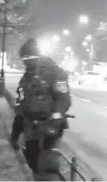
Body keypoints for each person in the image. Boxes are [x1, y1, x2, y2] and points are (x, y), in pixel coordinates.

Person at [9, 38, 72, 181]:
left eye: (28, 58)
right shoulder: (26, 78)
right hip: (30, 128)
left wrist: (55, 118)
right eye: (23, 59)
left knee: (47, 166)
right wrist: (15, 133)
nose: (26, 62)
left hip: (50, 126)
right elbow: (21, 106)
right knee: (33, 163)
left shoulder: (55, 73)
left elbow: (64, 99)